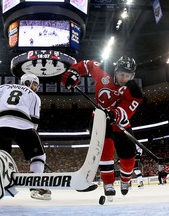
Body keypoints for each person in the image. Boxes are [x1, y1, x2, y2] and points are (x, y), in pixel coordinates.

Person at [61, 56, 143, 197]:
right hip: (99, 118)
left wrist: (115, 114)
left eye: (127, 75)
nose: (124, 78)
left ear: (133, 75)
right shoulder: (103, 70)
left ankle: (125, 179)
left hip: (120, 123)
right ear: (115, 70)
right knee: (105, 149)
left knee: (129, 159)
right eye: (121, 74)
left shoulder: (134, 90)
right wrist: (73, 73)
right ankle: (108, 183)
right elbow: (86, 65)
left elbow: (128, 109)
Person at [0, 73, 51, 201]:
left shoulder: (5, 87)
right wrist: (31, 142)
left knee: (0, 158)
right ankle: (36, 188)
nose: (36, 88)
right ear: (28, 82)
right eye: (35, 84)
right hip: (23, 125)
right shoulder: (34, 96)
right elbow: (35, 121)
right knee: (38, 156)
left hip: (0, 124)